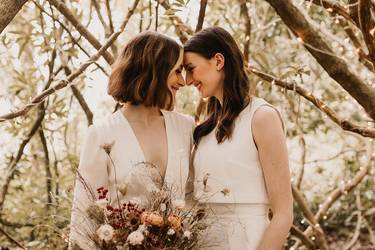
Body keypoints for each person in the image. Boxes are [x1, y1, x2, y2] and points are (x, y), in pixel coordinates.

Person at [69, 31, 194, 249]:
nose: (183, 82)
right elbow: (84, 217)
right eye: (177, 72)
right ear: (155, 71)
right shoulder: (101, 134)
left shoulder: (186, 128)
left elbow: (194, 200)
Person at [184, 27, 293, 250]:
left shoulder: (262, 117)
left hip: (248, 241)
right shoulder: (205, 128)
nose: (187, 80)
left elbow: (283, 214)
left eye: (191, 69)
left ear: (218, 61)